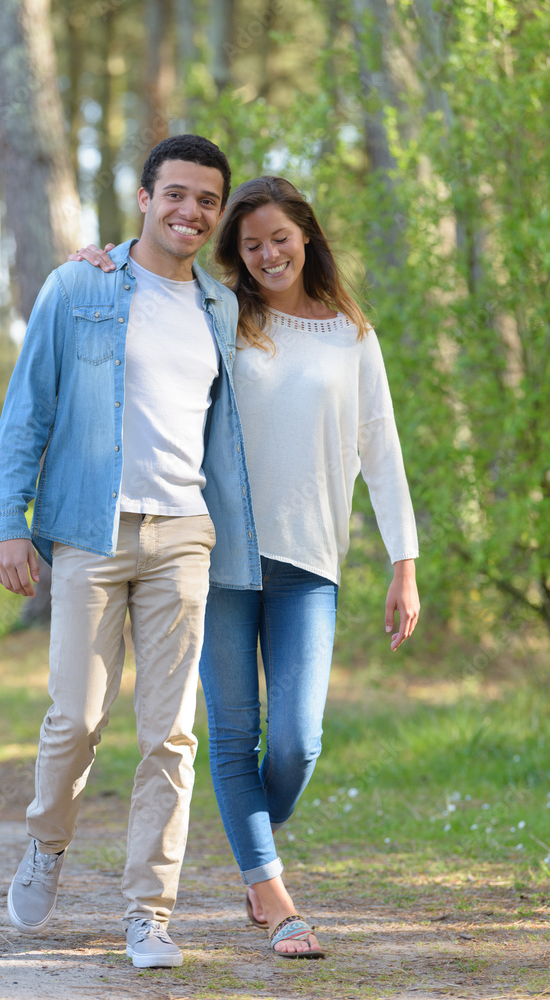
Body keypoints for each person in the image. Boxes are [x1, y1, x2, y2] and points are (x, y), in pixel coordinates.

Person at [72, 175, 420, 959]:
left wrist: (404, 562)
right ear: (237, 251)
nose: (266, 255)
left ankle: (246, 833)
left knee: (297, 742)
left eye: (280, 240)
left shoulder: (352, 335)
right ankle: (272, 894)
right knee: (233, 738)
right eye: (252, 243)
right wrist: (98, 260)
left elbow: (381, 451)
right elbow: (149, 302)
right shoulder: (221, 314)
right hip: (218, 553)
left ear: (307, 238)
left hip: (310, 562)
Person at [0, 134, 261, 969]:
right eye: (175, 193)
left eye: (207, 200)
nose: (190, 211)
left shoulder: (219, 306)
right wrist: (9, 518)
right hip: (88, 533)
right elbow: (28, 407)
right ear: (144, 198)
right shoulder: (80, 285)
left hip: (183, 535)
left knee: (170, 735)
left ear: (217, 215)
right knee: (75, 719)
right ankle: (47, 844)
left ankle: (150, 913)